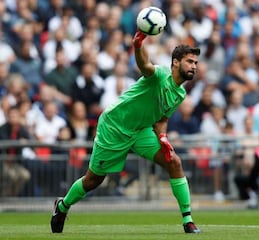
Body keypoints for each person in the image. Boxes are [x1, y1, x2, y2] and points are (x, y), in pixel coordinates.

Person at [50, 30, 201, 234]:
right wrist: (138, 45)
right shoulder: (160, 75)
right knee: (93, 180)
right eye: (189, 61)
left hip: (141, 131)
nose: (193, 66)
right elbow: (145, 65)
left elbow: (162, 119)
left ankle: (188, 221)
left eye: (195, 63)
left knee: (174, 161)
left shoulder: (180, 94)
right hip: (115, 126)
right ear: (175, 62)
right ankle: (62, 206)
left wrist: (163, 137)